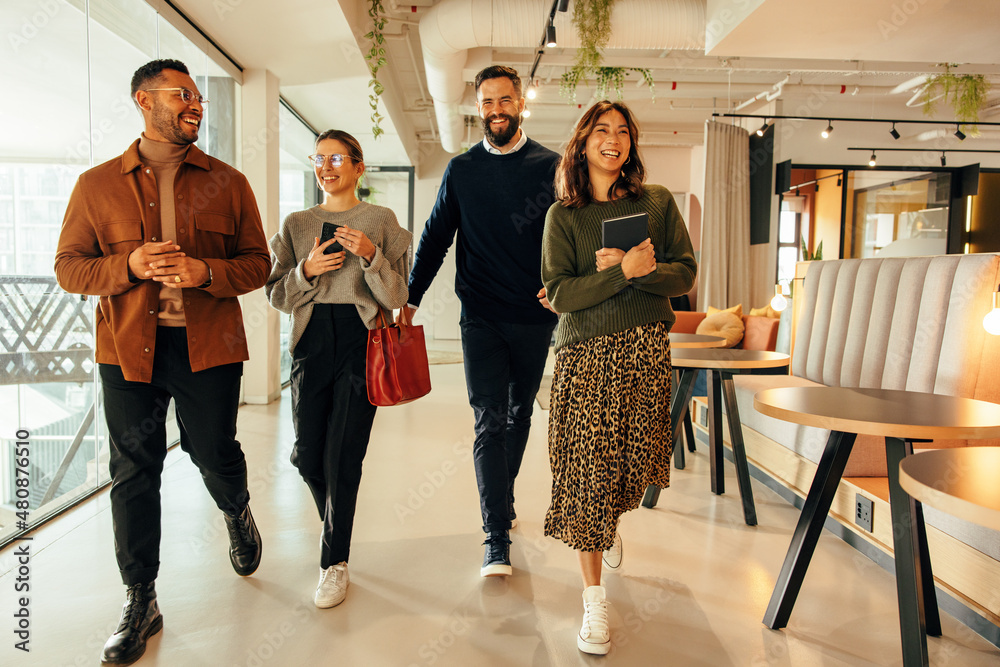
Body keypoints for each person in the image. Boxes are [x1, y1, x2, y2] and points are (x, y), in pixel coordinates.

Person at [54, 59, 270, 665]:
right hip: (127, 351)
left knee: (213, 450)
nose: (195, 104)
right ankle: (140, 596)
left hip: (209, 347)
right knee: (134, 468)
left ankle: (235, 508)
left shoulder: (229, 182)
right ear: (144, 101)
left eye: (199, 96)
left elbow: (258, 263)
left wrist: (205, 273)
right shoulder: (97, 186)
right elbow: (69, 267)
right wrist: (128, 267)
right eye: (183, 94)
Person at [541, 100, 697, 655]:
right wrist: (619, 273)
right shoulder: (563, 215)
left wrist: (644, 269)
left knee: (628, 471)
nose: (613, 140)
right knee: (588, 479)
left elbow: (686, 272)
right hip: (585, 358)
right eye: (601, 131)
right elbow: (559, 294)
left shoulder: (657, 202)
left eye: (623, 132)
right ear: (582, 143)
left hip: (645, 353)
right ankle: (593, 602)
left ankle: (608, 525)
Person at [403, 65, 559, 577]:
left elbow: (573, 234)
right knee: (488, 419)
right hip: (482, 317)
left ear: (520, 104)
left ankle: (504, 497)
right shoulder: (462, 170)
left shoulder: (551, 168)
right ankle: (496, 536)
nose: (496, 111)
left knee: (521, 416)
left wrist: (564, 288)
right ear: (477, 108)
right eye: (487, 102)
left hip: (535, 318)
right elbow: (433, 238)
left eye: (505, 100)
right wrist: (410, 299)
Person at [266, 130, 411, 608]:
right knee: (308, 456)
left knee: (343, 455)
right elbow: (277, 296)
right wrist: (306, 270)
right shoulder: (296, 223)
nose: (326, 166)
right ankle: (336, 523)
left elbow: (396, 297)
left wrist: (370, 255)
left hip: (361, 339)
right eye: (318, 158)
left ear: (358, 167)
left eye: (336, 158)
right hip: (310, 341)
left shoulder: (382, 220)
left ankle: (334, 562)